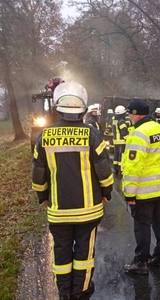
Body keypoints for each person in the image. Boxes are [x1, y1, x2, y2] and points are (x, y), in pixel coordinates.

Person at [31, 82, 113, 300]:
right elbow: (104, 170)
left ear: (58, 108)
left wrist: (42, 196)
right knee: (84, 254)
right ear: (83, 110)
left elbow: (38, 174)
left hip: (59, 211)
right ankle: (81, 291)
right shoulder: (92, 135)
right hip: (88, 211)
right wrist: (107, 191)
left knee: (61, 252)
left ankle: (64, 291)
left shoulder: (45, 136)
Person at [122, 98, 160, 275]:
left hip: (144, 189)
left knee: (142, 224)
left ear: (135, 114)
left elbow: (134, 167)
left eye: (129, 113)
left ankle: (141, 262)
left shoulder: (138, 134)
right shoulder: (159, 128)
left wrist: (129, 193)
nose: (128, 117)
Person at [112, 105, 130, 175]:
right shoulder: (121, 121)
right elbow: (124, 132)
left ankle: (115, 169)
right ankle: (121, 170)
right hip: (122, 141)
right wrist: (128, 139)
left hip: (115, 141)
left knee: (116, 156)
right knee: (121, 156)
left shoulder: (114, 120)